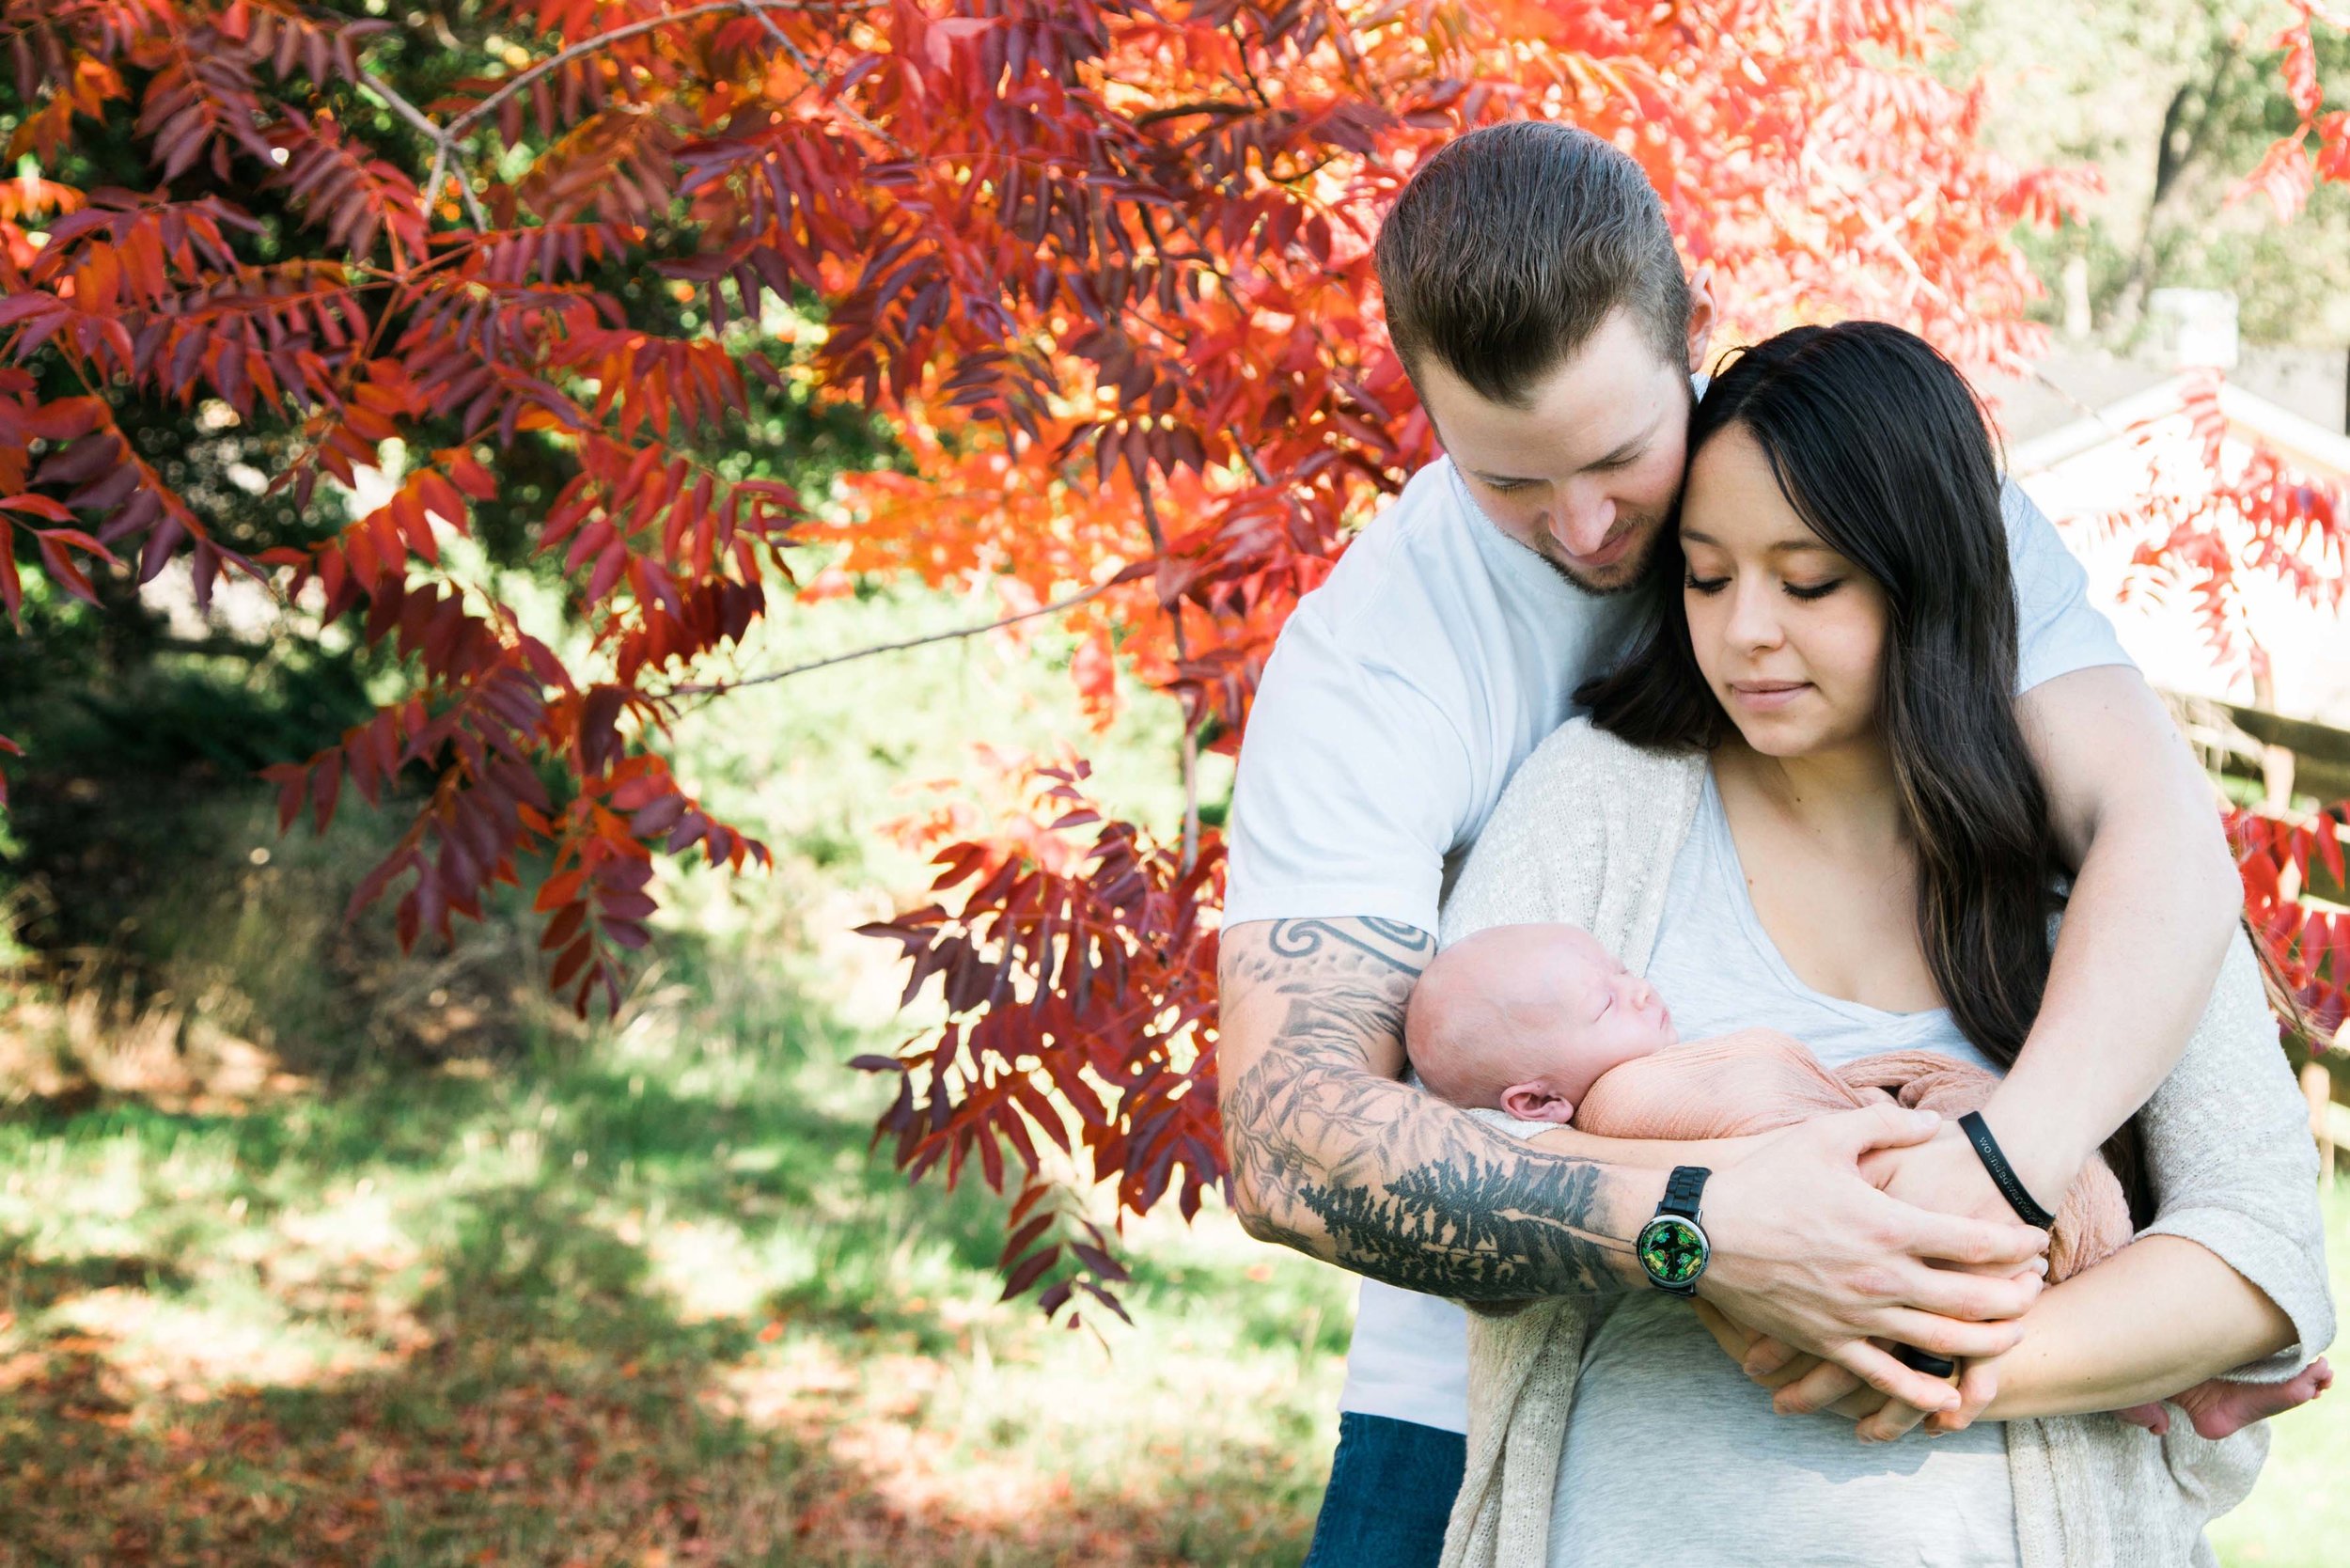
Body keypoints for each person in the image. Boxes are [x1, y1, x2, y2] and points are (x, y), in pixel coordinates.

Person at [1214, 121, 2247, 1562]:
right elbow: (1288, 1139)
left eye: (1623, 457)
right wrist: (1710, 1227)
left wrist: (2007, 1180)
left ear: (1690, 328)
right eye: (1506, 482)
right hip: (1464, 1410)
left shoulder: (1893, 504)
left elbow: (2159, 837)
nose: (1582, 528)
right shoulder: (1378, 658)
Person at [1431, 321, 2332, 1566]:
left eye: (1809, 583)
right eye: (1705, 575)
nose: (1747, 630)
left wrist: (1908, 1348)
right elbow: (1445, 1171)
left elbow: (2265, 1251)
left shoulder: (2101, 856)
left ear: (1930, 575)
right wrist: (1718, 1241)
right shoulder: (1601, 802)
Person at [1405, 918, 2332, 1443]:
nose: (1637, 986)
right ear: (1531, 1100)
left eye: (1619, 967)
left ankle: (2171, 1383)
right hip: (1893, 1223)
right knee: (2066, 1206)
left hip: (1894, 1217)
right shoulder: (1634, 1102)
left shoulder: (1637, 1090)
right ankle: (2169, 1380)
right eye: (1607, 1000)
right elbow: (1782, 1161)